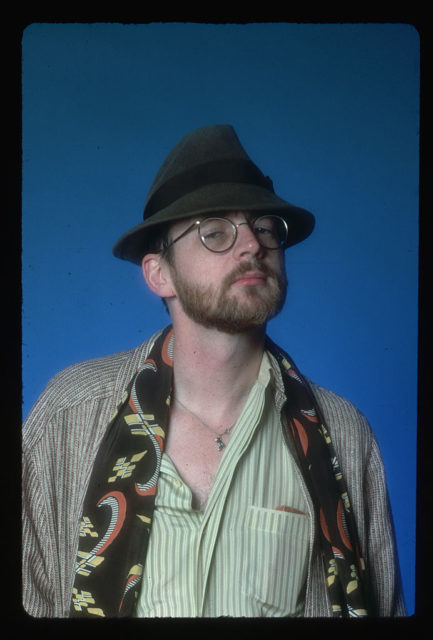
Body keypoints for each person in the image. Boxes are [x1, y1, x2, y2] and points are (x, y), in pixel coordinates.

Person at [22, 124, 406, 619]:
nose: (251, 245)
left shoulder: (344, 436)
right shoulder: (67, 417)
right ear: (159, 273)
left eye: (264, 226)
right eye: (215, 230)